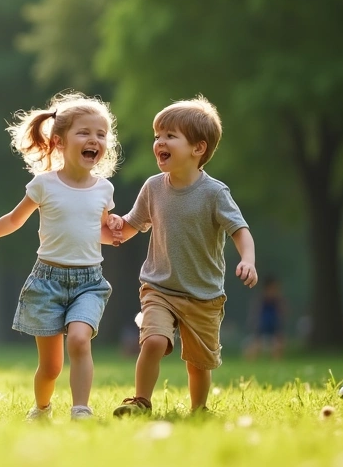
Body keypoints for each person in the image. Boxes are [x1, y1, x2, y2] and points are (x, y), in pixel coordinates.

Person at [107, 96, 257, 416]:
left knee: (198, 364)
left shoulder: (215, 193)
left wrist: (248, 260)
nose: (159, 142)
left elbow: (240, 230)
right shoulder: (153, 187)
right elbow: (134, 224)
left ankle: (199, 410)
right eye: (157, 136)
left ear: (197, 149)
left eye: (170, 136)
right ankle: (141, 402)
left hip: (204, 294)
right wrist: (117, 226)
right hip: (159, 286)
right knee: (153, 342)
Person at [0, 91, 120, 421]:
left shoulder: (104, 189)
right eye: (84, 132)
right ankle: (42, 408)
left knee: (80, 340)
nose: (94, 140)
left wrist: (114, 224)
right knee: (51, 366)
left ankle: (81, 409)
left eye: (101, 134)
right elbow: (15, 219)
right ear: (59, 141)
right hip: (47, 281)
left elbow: (97, 229)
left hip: (89, 281)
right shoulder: (44, 185)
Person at [245, 277, 286, 360]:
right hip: (262, 323)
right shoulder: (261, 299)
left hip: (274, 323)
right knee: (256, 343)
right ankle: (250, 360)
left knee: (278, 343)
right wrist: (253, 321)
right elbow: (255, 311)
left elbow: (282, 311)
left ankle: (276, 361)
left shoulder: (277, 300)